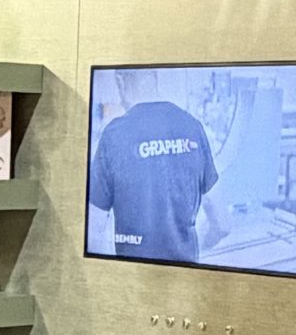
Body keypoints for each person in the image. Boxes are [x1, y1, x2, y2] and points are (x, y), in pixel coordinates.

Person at [87, 72, 223, 264]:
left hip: (135, 276)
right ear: (154, 79)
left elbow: (94, 231)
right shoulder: (192, 126)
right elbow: (222, 223)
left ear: (120, 81)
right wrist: (195, 250)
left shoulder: (114, 135)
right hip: (187, 274)